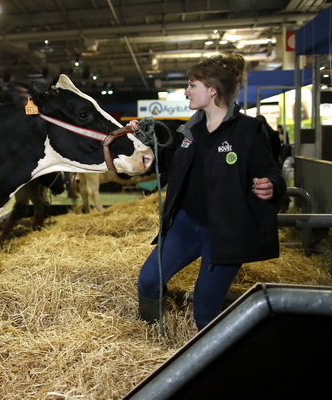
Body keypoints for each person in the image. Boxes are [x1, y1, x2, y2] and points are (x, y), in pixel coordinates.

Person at [131, 54, 286, 331]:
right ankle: (149, 334)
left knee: (204, 306)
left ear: (212, 90)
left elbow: (271, 172)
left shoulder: (248, 131)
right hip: (186, 224)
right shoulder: (190, 130)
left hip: (225, 232)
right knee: (149, 280)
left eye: (192, 85)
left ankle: (210, 362)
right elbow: (165, 162)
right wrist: (142, 145)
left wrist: (271, 185)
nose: (187, 91)